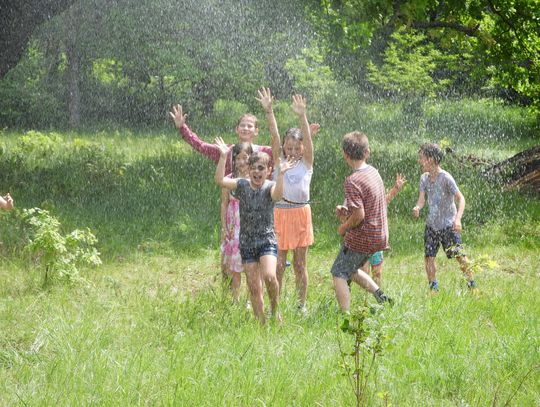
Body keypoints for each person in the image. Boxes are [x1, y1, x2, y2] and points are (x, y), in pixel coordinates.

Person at [215, 137, 295, 323]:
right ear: (249, 170)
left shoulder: (270, 187)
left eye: (261, 168)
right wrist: (223, 157)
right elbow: (219, 180)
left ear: (268, 171)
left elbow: (278, 195)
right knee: (253, 286)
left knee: (268, 276)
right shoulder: (241, 185)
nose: (257, 172)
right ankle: (261, 323)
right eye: (254, 168)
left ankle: (275, 310)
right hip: (247, 242)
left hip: (267, 240)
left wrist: (281, 175)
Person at [257, 88, 314, 313]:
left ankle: (301, 305)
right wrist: (269, 111)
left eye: (295, 148)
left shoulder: (306, 162)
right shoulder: (279, 160)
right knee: (278, 264)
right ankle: (275, 305)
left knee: (300, 264)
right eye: (288, 147)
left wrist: (302, 116)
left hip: (301, 213)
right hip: (279, 214)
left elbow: (309, 141)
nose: (291, 151)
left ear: (302, 148)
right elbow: (273, 136)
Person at [330, 131, 392, 312]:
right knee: (352, 267)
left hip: (363, 236)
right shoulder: (373, 172)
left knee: (339, 272)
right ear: (367, 152)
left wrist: (344, 226)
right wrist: (347, 210)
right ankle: (381, 296)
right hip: (379, 234)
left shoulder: (352, 180)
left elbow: (359, 215)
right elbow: (370, 202)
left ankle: (346, 316)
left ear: (345, 154)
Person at [412, 143, 476, 292]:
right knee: (429, 257)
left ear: (431, 159)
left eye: (421, 158)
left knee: (459, 256)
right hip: (431, 225)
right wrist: (417, 207)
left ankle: (472, 285)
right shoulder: (424, 178)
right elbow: (422, 199)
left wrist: (458, 219)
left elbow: (461, 199)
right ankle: (433, 288)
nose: (419, 161)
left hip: (448, 225)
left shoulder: (446, 178)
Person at [359, 173, 406, 286]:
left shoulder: (378, 202)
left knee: (377, 272)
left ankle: (377, 296)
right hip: (362, 243)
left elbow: (387, 198)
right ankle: (364, 299)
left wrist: (396, 188)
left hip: (376, 243)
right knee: (364, 273)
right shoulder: (359, 202)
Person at [220, 142, 253, 303]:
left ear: (251, 158)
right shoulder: (229, 180)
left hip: (250, 229)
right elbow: (224, 204)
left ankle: (249, 299)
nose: (241, 162)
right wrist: (224, 227)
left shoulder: (256, 179)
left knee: (250, 266)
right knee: (234, 266)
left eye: (245, 158)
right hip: (234, 229)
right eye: (238, 158)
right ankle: (236, 299)